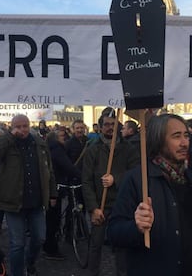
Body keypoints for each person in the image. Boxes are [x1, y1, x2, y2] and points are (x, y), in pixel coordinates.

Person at [107, 113, 192, 276]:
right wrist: (136, 227)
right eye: (176, 136)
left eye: (186, 136)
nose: (184, 143)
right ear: (159, 140)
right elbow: (114, 233)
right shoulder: (137, 180)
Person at [0, 114, 57, 276]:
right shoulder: (7, 143)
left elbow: (49, 170)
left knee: (39, 238)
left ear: (29, 125)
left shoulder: (39, 143)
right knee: (17, 243)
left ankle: (30, 261)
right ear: (12, 127)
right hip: (14, 202)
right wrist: (9, 136)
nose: (22, 129)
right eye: (18, 126)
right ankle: (18, 273)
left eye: (25, 126)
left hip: (37, 201)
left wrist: (52, 193)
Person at [82, 112, 140, 276]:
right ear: (100, 127)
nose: (110, 128)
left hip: (122, 206)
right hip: (100, 206)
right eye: (106, 124)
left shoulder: (128, 149)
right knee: (96, 244)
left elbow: (136, 173)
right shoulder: (92, 150)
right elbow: (86, 181)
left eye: (113, 124)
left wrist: (117, 179)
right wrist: (93, 208)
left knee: (121, 246)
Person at [43, 130, 81, 260]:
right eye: (61, 136)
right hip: (56, 188)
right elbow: (68, 167)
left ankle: (50, 244)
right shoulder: (57, 150)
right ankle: (51, 247)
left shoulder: (52, 148)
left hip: (55, 186)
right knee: (53, 219)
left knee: (52, 218)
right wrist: (81, 177)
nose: (64, 137)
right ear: (55, 138)